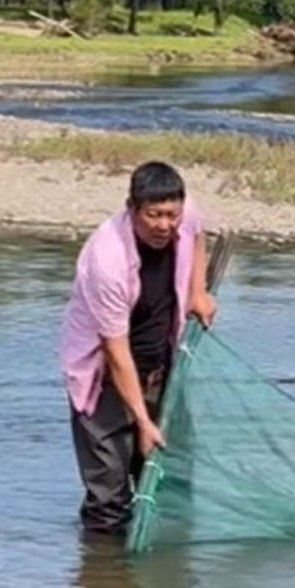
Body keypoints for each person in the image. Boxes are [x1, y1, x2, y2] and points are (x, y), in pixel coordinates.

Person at [60, 160, 218, 535]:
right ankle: (104, 583)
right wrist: (143, 422)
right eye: (154, 215)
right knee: (109, 497)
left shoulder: (184, 216)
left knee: (167, 478)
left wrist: (197, 290)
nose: (165, 225)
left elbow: (197, 233)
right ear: (132, 208)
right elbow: (115, 352)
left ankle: (162, 582)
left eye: (171, 215)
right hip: (103, 380)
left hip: (160, 367)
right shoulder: (108, 260)